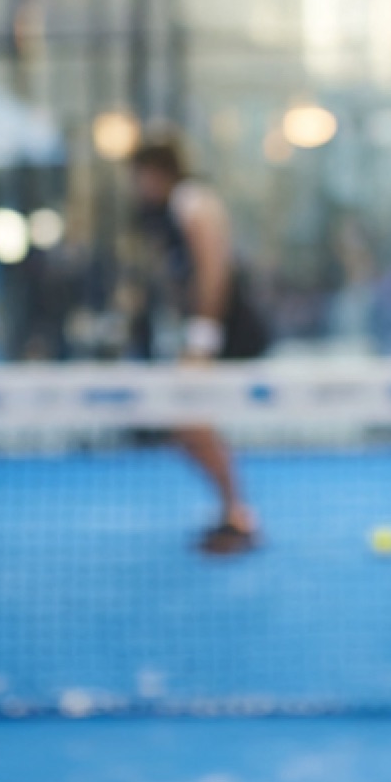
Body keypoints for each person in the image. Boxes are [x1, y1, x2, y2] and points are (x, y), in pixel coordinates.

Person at [129, 125, 269, 554]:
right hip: (202, 335)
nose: (136, 186)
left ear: (157, 171)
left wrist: (201, 342)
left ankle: (238, 515)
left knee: (189, 422)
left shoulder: (194, 202)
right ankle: (234, 511)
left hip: (227, 333)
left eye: (139, 175)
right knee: (186, 426)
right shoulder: (168, 213)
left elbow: (213, 271)